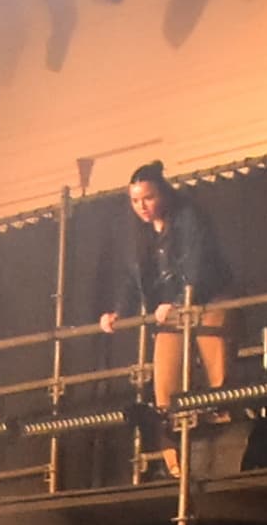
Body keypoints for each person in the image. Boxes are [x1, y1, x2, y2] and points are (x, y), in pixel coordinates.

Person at [95, 161, 234, 417]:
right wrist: (119, 312)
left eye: (148, 198)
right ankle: (174, 450)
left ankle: (225, 426)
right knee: (165, 384)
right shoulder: (137, 232)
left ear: (164, 194)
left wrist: (181, 300)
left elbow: (198, 262)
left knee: (219, 374)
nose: (142, 207)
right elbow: (132, 275)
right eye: (135, 201)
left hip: (207, 299)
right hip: (169, 310)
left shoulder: (188, 217)